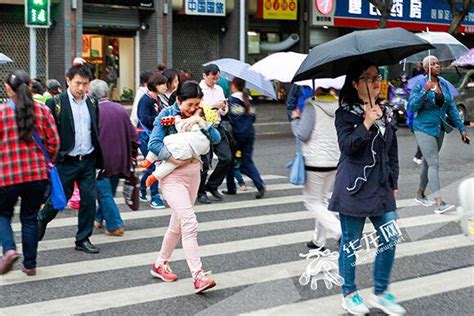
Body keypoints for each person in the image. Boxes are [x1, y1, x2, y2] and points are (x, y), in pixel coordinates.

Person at [328, 59, 406, 315]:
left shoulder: (385, 111)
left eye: (377, 77)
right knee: (351, 243)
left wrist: (393, 181)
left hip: (382, 187)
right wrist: (366, 123)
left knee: (390, 237)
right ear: (354, 83)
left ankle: (380, 292)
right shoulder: (345, 114)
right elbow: (348, 147)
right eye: (368, 78)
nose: (376, 82)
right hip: (355, 186)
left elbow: (391, 150)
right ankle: (349, 293)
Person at [147, 81, 220, 293]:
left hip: (194, 174)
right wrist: (173, 159)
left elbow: (216, 138)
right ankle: (198, 276)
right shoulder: (166, 115)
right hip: (172, 176)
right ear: (179, 100)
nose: (192, 108)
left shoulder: (203, 112)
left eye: (197, 104)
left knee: (178, 225)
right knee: (189, 222)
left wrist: (201, 120)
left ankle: (160, 263)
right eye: (189, 104)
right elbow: (153, 143)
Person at [37, 59, 104, 254]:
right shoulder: (55, 103)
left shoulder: (92, 102)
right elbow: (47, 133)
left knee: (89, 200)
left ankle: (83, 239)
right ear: (68, 81)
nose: (81, 88)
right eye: (78, 83)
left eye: (85, 84)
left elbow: (95, 129)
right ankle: (42, 219)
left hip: (88, 159)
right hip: (66, 160)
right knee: (60, 199)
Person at [0, 71, 60, 276]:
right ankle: (30, 264)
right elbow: (54, 142)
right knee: (29, 218)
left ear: (8, 88)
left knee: (2, 215)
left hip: (7, 177)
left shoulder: (1, 113)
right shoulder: (43, 110)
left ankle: (9, 250)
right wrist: (46, 162)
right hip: (37, 176)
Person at [408, 55, 470, 214]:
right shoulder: (420, 85)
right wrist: (424, 91)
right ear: (426, 68)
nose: (437, 66)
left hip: (439, 128)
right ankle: (439, 202)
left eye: (438, 63)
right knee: (434, 162)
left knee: (429, 163)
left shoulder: (443, 84)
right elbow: (412, 106)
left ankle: (420, 194)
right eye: (433, 64)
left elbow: (451, 108)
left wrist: (462, 130)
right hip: (423, 127)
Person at [291, 85, 342, 250]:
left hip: (315, 160)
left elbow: (303, 134)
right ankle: (319, 241)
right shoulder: (338, 105)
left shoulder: (311, 105)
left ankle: (339, 230)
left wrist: (296, 119)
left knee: (312, 202)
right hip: (334, 159)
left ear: (318, 87)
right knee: (322, 200)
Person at [89, 79, 138, 236]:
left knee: (104, 193)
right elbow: (133, 135)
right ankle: (98, 218)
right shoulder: (120, 109)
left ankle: (115, 225)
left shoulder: (92, 111)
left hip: (101, 160)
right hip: (121, 159)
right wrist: (133, 154)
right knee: (108, 191)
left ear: (91, 95)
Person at [223, 77, 265, 199]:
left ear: (234, 86)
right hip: (249, 133)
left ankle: (231, 188)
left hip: (236, 135)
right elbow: (253, 118)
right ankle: (259, 184)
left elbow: (228, 117)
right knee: (247, 161)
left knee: (229, 161)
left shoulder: (232, 100)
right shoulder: (249, 99)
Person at [198, 64, 232, 204]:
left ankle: (212, 185)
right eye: (213, 78)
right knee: (205, 162)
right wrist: (214, 106)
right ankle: (200, 192)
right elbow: (197, 108)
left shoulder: (219, 89)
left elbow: (224, 110)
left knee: (226, 157)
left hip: (217, 125)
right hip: (203, 127)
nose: (215, 81)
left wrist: (223, 108)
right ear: (205, 75)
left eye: (217, 78)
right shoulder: (198, 89)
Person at [137, 73, 168, 209]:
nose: (166, 87)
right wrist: (160, 121)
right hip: (146, 137)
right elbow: (144, 118)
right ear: (156, 85)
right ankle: (154, 197)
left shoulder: (158, 99)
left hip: (154, 137)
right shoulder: (146, 100)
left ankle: (142, 188)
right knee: (154, 166)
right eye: (163, 84)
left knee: (152, 166)